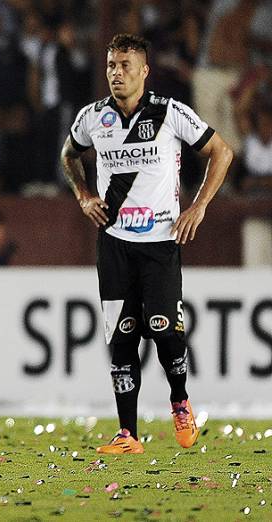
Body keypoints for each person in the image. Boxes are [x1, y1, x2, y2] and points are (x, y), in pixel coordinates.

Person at [61, 34, 233, 454]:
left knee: (165, 332)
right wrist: (84, 195)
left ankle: (180, 400)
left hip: (160, 241)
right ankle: (127, 433)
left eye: (124, 65)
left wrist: (199, 206)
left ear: (144, 71)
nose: (116, 73)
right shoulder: (93, 117)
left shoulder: (169, 113)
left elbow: (222, 152)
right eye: (111, 65)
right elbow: (69, 155)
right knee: (121, 339)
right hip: (114, 242)